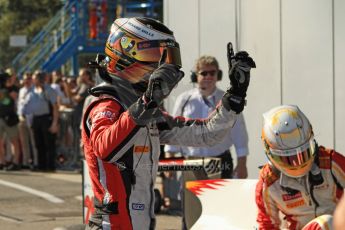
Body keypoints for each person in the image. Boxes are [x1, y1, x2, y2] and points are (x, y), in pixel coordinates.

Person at [82, 17, 255, 230]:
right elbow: (105, 148)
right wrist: (147, 101)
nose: (161, 66)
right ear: (125, 53)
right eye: (155, 56)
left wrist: (234, 96)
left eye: (164, 57)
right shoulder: (104, 104)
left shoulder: (146, 111)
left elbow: (206, 134)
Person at [255, 105, 345, 230]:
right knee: (325, 223)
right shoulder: (269, 181)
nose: (297, 163)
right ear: (270, 153)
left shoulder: (331, 162)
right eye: (288, 158)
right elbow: (266, 225)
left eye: (303, 153)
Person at [165, 55, 249, 179]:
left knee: (220, 198)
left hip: (220, 161)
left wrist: (242, 164)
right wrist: (169, 160)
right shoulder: (184, 100)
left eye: (212, 73)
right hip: (191, 162)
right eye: (204, 73)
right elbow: (173, 130)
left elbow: (239, 134)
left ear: (218, 75)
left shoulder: (228, 100)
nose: (208, 77)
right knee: (191, 199)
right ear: (195, 76)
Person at [21, 71, 59, 171]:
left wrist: (54, 123)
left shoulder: (49, 90)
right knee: (38, 144)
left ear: (39, 79)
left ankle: (50, 166)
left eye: (34, 78)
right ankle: (41, 165)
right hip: (36, 119)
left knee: (48, 143)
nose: (32, 80)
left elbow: (55, 107)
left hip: (46, 118)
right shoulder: (32, 90)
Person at [0, 72, 20, 170]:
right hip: (0, 117)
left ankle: (15, 161)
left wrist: (7, 87)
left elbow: (13, 96)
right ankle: (2, 161)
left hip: (10, 117)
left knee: (14, 141)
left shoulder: (13, 88)